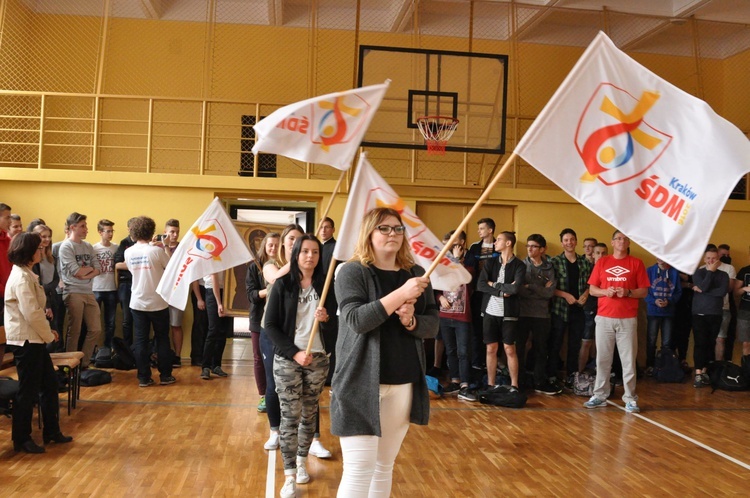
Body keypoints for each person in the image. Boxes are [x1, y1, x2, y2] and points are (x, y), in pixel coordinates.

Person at [331, 207, 439, 497]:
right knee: (358, 468)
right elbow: (356, 320)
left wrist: (411, 320)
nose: (393, 234)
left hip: (403, 381)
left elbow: (432, 325)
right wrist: (401, 295)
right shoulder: (352, 271)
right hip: (358, 382)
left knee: (384, 466)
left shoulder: (417, 273)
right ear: (369, 233)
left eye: (398, 229)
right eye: (384, 228)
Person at [266, 234, 334, 498]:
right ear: (295, 254)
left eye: (315, 252)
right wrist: (294, 353)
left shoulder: (326, 284)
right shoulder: (283, 284)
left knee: (309, 415)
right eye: (305, 251)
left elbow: (338, 323)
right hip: (288, 360)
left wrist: (327, 317)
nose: (310, 256)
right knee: (290, 416)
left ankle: (303, 460)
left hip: (317, 359)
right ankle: (290, 475)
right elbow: (270, 325)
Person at [5, 232, 73, 453]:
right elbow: (32, 313)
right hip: (26, 340)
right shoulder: (21, 277)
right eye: (38, 248)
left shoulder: (27, 273)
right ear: (28, 252)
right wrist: (48, 334)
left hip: (34, 338)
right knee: (28, 390)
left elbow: (36, 311)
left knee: (49, 385)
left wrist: (45, 333)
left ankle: (51, 431)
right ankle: (21, 439)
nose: (42, 251)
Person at [584, 231, 649, 414]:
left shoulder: (636, 263)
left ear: (629, 243)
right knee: (603, 359)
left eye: (625, 239)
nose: (622, 241)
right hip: (604, 317)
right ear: (613, 242)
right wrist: (606, 292)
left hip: (627, 319)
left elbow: (643, 291)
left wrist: (628, 292)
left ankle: (630, 398)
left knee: (628, 361)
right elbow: (592, 289)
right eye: (618, 238)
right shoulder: (603, 262)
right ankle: (599, 395)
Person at [124, 216, 175, 387]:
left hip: (137, 302)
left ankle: (143, 377)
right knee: (162, 339)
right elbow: (170, 268)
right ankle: (166, 375)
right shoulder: (157, 251)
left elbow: (132, 271)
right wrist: (165, 246)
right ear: (151, 231)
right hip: (158, 302)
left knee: (140, 340)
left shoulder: (128, 252)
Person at [477, 231, 526, 392]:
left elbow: (514, 288)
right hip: (490, 312)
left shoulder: (519, 265)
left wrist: (494, 284)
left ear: (508, 243)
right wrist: (500, 290)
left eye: (498, 240)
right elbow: (481, 285)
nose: (494, 242)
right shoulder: (491, 263)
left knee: (509, 349)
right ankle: (490, 384)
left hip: (509, 313)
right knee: (491, 348)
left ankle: (514, 385)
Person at [549, 228, 592, 387]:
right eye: (566, 240)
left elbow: (591, 283)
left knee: (575, 344)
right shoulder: (554, 262)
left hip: (579, 309)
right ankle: (552, 375)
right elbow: (549, 287)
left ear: (576, 241)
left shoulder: (584, 262)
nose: (569, 243)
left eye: (572, 239)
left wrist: (586, 294)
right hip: (560, 308)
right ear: (562, 243)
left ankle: (572, 375)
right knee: (556, 343)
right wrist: (565, 295)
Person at [517, 233, 559, 395]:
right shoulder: (521, 265)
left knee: (541, 348)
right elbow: (519, 289)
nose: (530, 249)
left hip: (542, 314)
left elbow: (550, 293)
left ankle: (539, 381)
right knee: (520, 347)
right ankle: (519, 380)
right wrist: (539, 287)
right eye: (528, 246)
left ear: (542, 249)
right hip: (523, 312)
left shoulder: (549, 267)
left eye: (534, 246)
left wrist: (531, 286)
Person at [59, 212, 102, 367]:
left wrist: (85, 273)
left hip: (88, 292)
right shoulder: (66, 247)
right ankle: (68, 365)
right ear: (73, 227)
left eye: (86, 226)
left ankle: (83, 363)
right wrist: (85, 272)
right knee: (75, 329)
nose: (86, 229)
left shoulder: (88, 246)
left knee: (95, 329)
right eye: (83, 226)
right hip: (73, 292)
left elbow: (98, 269)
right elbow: (76, 271)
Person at [437, 230, 476, 401]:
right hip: (445, 313)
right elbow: (436, 284)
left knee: (463, 351)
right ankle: (454, 380)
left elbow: (467, 276)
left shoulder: (469, 259)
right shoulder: (442, 261)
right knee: (450, 349)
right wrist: (440, 297)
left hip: (462, 314)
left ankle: (465, 384)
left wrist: (456, 259)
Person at [246, 232, 279, 413]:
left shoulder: (282, 266)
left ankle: (276, 393)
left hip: (278, 321)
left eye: (276, 245)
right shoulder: (254, 268)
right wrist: (270, 288)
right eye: (270, 245)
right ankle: (264, 395)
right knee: (259, 358)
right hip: (258, 319)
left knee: (277, 359)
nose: (273, 248)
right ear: (264, 246)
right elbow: (251, 295)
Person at [691, 247, 729, 388]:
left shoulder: (724, 275)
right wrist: (710, 272)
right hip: (699, 314)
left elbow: (721, 292)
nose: (711, 261)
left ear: (718, 259)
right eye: (708, 258)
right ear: (704, 259)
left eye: (714, 258)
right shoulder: (698, 273)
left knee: (710, 343)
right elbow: (705, 285)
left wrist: (703, 291)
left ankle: (706, 371)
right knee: (700, 343)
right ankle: (698, 373)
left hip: (716, 314)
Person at [465, 217, 496, 371]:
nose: (479, 231)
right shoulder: (474, 247)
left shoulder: (499, 246)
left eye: (482, 228)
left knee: (492, 329)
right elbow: (469, 268)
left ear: (490, 230)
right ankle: (477, 362)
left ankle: (492, 363)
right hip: (477, 294)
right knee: (477, 329)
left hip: (495, 295)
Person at [644, 258, 682, 376]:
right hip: (653, 311)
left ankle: (664, 366)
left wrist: (669, 301)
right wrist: (654, 301)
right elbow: (644, 291)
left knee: (667, 342)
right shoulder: (649, 271)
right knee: (651, 340)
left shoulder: (674, 273)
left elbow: (678, 292)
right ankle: (650, 366)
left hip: (668, 312)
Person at [578, 242, 608, 375]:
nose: (601, 256)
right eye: (598, 253)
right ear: (592, 254)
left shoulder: (611, 270)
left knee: (601, 344)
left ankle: (598, 374)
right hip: (589, 308)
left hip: (606, 310)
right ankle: (579, 374)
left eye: (604, 253)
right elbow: (586, 288)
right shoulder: (587, 268)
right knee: (586, 342)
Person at [31, 224, 61, 352]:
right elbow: (38, 285)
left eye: (49, 236)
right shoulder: (34, 259)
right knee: (46, 334)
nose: (47, 239)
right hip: (43, 300)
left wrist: (48, 289)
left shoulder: (51, 257)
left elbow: (56, 279)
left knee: (56, 332)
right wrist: (47, 305)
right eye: (44, 236)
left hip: (52, 296)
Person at [199, 271, 232, 379]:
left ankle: (216, 365)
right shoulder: (213, 255)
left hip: (226, 291)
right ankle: (206, 367)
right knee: (213, 330)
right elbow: (214, 279)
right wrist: (219, 303)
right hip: (213, 292)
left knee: (222, 331)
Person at [93, 219, 119, 350]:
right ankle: (93, 349)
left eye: (111, 231)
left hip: (111, 288)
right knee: (93, 322)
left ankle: (108, 348)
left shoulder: (116, 247)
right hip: (96, 288)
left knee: (111, 322)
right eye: (107, 231)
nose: (110, 234)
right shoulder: (94, 248)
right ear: (100, 232)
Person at [114, 218, 137, 346]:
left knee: (140, 320)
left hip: (140, 284)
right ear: (128, 229)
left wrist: (129, 264)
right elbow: (118, 265)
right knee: (127, 319)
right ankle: (128, 348)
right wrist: (138, 264)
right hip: (126, 284)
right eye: (132, 227)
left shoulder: (146, 243)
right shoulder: (124, 243)